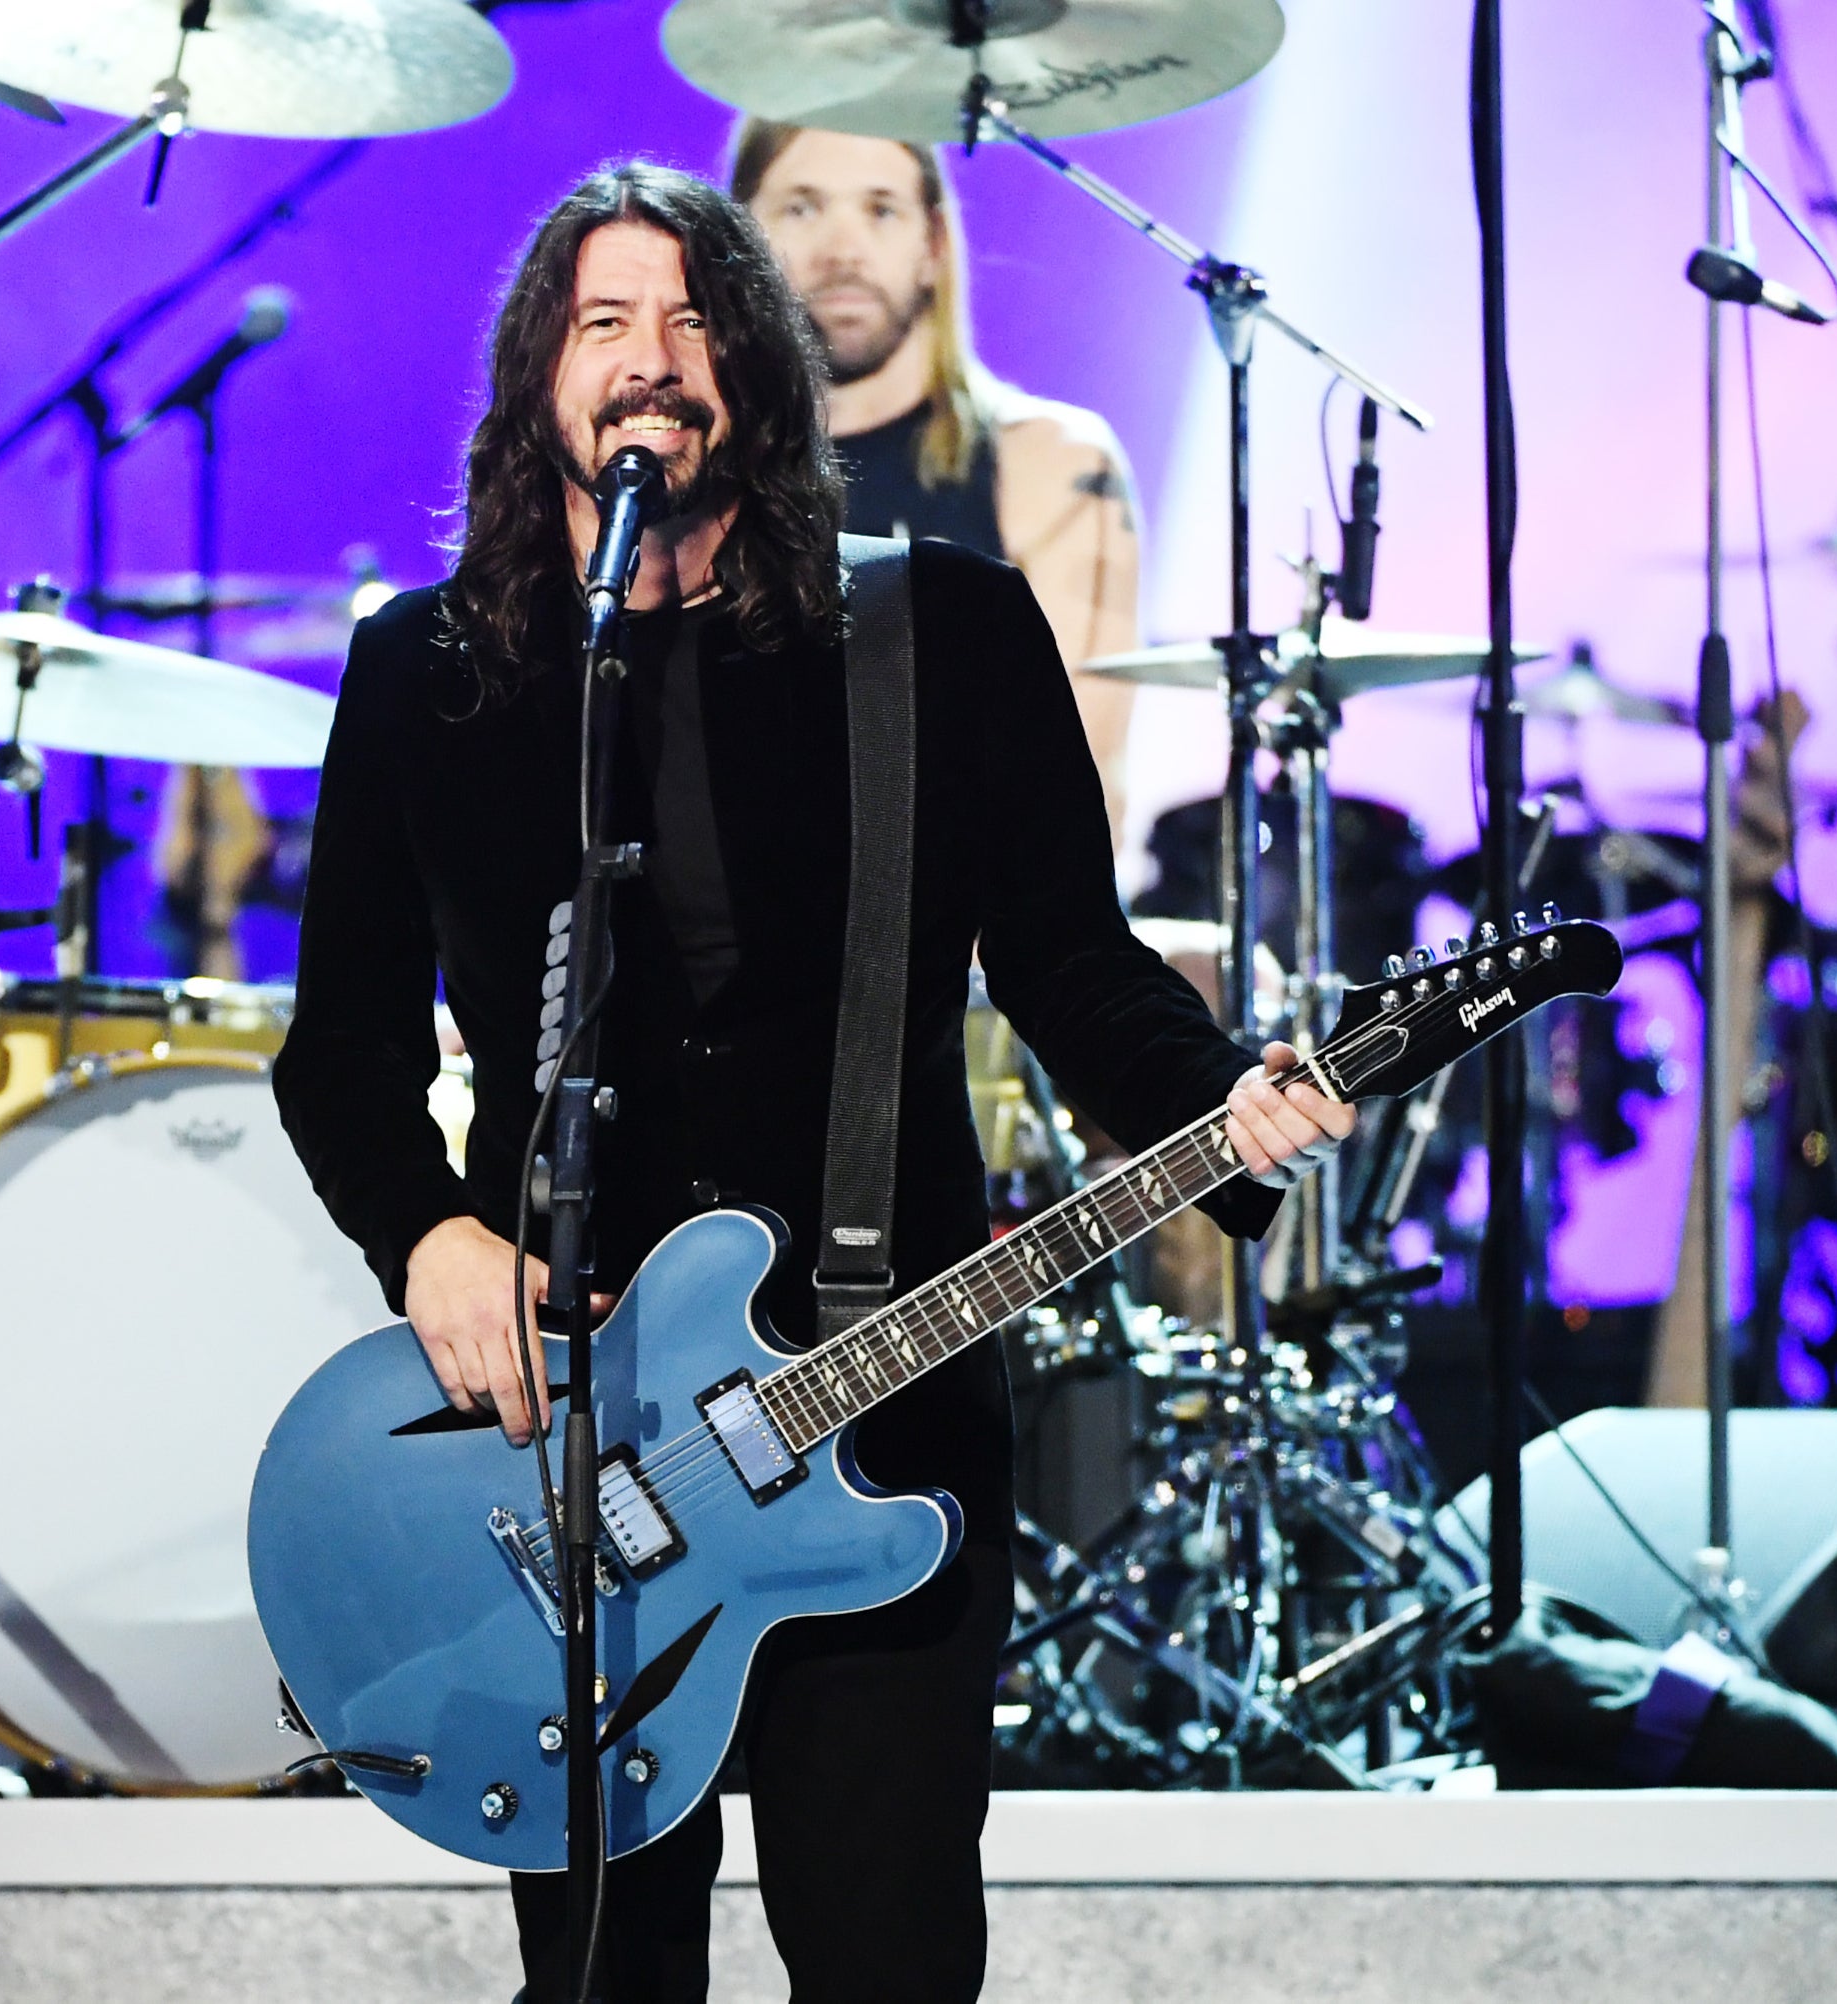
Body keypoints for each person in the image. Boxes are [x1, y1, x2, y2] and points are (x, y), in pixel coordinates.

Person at [272, 163, 1350, 2004]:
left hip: (885, 1395)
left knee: (885, 1958)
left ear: (755, 372)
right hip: (572, 1451)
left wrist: (1220, 1112)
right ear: (539, 370)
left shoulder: (930, 630)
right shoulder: (427, 670)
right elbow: (343, 1043)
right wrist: (432, 1231)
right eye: (604, 321)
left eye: (694, 318)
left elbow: (1070, 970)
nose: (650, 360)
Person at [731, 120, 1145, 843]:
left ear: (931, 246)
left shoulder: (1054, 465)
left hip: (968, 943)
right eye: (801, 207)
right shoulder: (691, 480)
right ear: (737, 243)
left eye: (880, 209)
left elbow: (1073, 797)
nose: (843, 251)